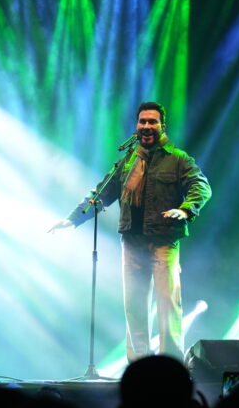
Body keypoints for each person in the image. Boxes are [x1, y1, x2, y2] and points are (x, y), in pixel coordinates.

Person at [48, 102, 211, 361]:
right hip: (131, 242)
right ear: (137, 126)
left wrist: (186, 209)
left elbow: (201, 186)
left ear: (162, 126)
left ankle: (171, 368)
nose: (146, 126)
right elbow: (101, 194)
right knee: (134, 309)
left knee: (168, 307)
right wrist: (73, 219)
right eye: (142, 121)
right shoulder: (127, 161)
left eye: (152, 122)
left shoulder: (178, 159)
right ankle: (139, 367)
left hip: (163, 241)